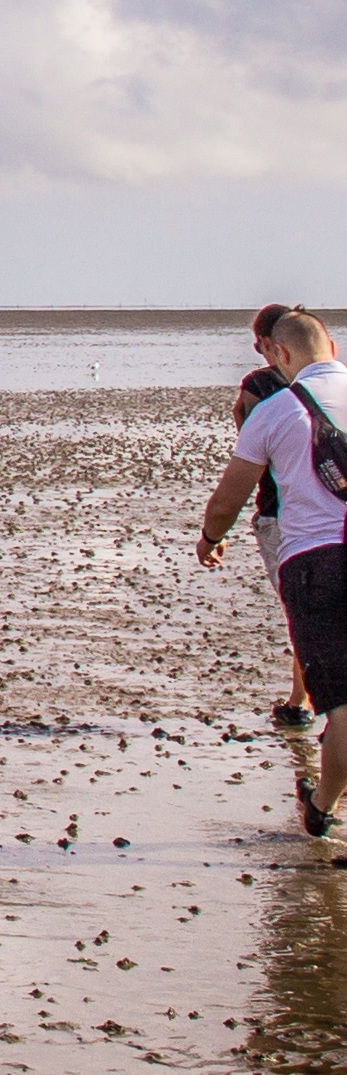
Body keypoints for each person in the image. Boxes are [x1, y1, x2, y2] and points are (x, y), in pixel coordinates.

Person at [197, 309, 347, 838]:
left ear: (279, 354)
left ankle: (322, 808)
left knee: (342, 706)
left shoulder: (276, 408)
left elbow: (227, 502)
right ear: (331, 343)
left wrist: (210, 540)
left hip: (316, 564)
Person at [233, 303, 311, 726]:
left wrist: (212, 533)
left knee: (300, 609)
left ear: (270, 344)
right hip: (333, 508)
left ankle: (301, 701)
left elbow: (251, 453)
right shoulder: (334, 383)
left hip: (281, 514)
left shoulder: (259, 386)